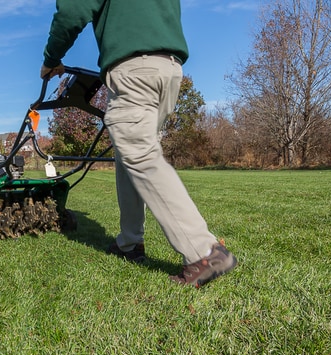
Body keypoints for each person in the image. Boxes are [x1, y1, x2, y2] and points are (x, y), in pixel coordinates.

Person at [40, 0, 237, 288]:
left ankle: (205, 252)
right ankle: (130, 243)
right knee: (128, 156)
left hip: (135, 69)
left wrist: (51, 58)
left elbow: (73, 9)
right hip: (168, 69)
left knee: (140, 156)